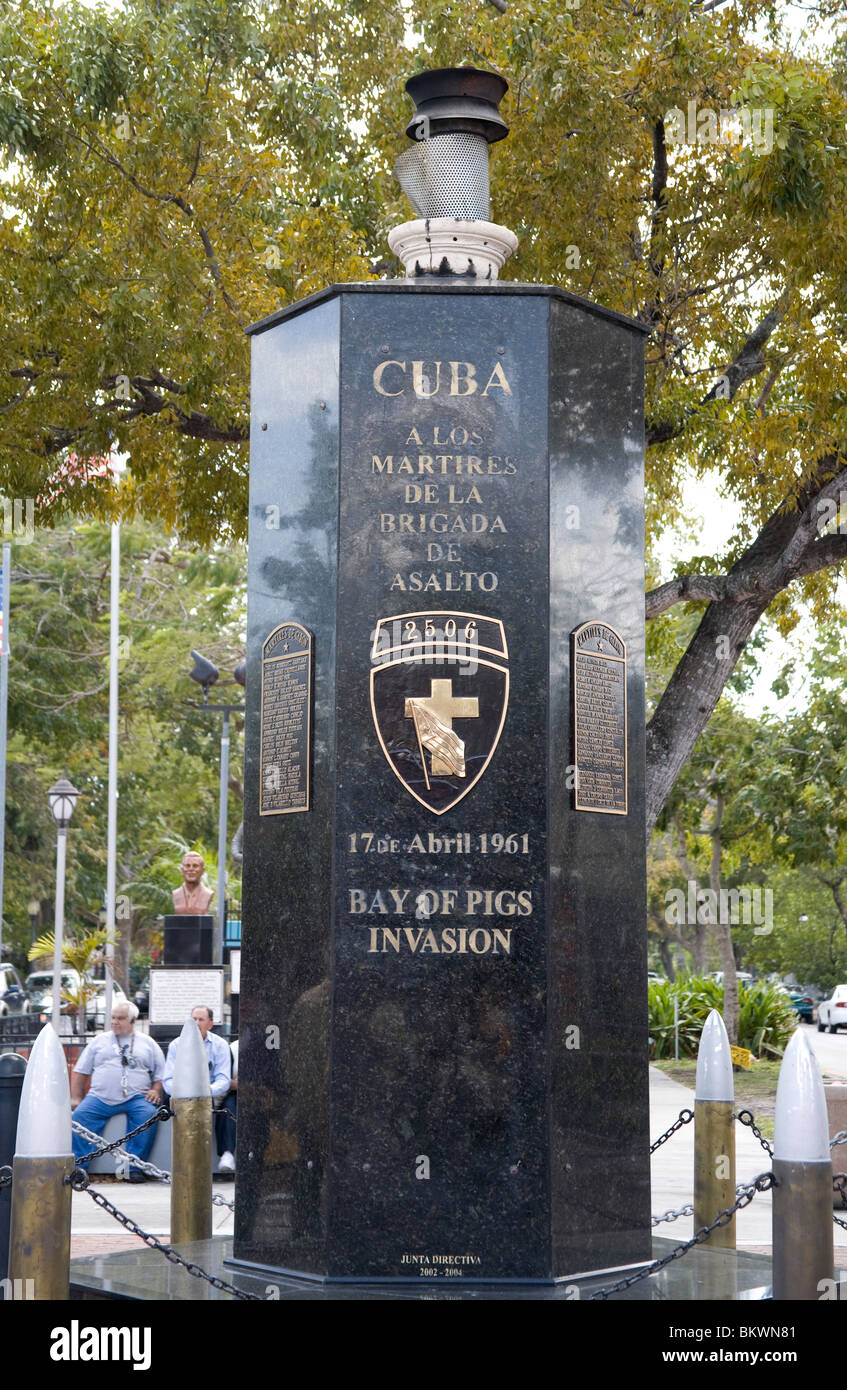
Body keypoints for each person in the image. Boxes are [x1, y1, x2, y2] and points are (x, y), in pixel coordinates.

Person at [71, 1001, 166, 1183]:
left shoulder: (148, 1043)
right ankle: (79, 1167)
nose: (115, 1022)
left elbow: (160, 1074)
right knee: (80, 1117)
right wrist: (75, 1097)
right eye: (113, 1017)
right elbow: (80, 1071)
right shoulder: (98, 1041)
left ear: (133, 1020)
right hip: (99, 1097)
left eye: (120, 1018)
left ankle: (134, 1168)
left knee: (147, 1114)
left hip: (136, 1097)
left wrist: (155, 1090)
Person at [162, 1004, 233, 1169]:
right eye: (193, 1019)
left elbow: (223, 1079)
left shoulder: (220, 1045)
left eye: (201, 1019)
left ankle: (225, 1155)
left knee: (228, 1107)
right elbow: (168, 1080)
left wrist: (205, 1092)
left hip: (210, 1094)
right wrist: (184, 1092)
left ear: (210, 1024)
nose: (196, 1023)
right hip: (181, 1094)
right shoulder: (175, 1045)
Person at [214, 1037, 238, 1175]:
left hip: (260, 1094)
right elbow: (225, 1081)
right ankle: (227, 1153)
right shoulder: (233, 1049)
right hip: (234, 1093)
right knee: (227, 1106)